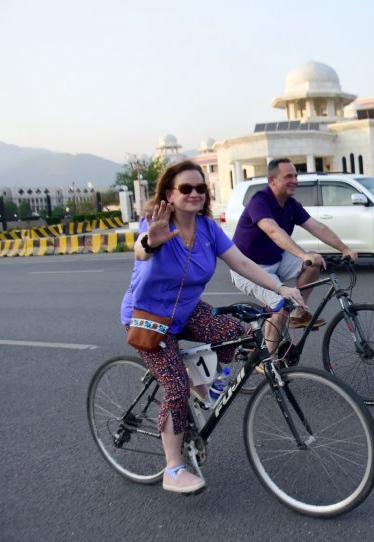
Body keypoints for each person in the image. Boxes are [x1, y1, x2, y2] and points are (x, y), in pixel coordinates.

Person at [121, 160, 303, 495]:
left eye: (200, 188)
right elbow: (141, 250)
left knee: (241, 333)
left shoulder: (207, 228)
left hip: (186, 310)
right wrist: (151, 241)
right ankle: (173, 468)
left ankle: (203, 385)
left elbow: (242, 262)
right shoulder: (155, 223)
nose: (194, 194)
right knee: (175, 387)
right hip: (149, 317)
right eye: (185, 188)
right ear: (169, 194)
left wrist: (280, 289)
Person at [230, 158, 357, 352]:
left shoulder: (290, 204)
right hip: (248, 268)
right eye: (288, 176)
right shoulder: (260, 201)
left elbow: (317, 227)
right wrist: (302, 253)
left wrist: (344, 248)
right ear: (272, 180)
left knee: (313, 263)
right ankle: (269, 365)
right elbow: (272, 231)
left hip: (276, 260)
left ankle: (298, 313)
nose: (295, 180)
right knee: (281, 306)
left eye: (296, 175)